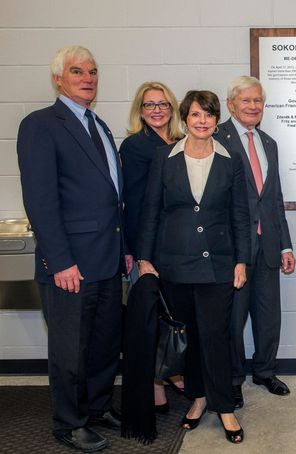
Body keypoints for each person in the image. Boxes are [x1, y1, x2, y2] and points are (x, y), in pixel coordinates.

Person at [17, 45, 131, 453]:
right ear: (58, 79)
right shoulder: (42, 125)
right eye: (78, 71)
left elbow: (110, 196)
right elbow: (41, 201)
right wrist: (60, 260)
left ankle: (98, 408)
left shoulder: (98, 124)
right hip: (70, 266)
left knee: (103, 345)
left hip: (107, 259)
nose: (88, 78)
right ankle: (69, 422)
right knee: (69, 350)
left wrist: (125, 249)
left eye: (93, 71)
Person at [136, 90, 251, 444]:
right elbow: (151, 210)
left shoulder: (230, 160)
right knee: (191, 338)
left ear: (217, 121)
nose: (202, 121)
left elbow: (240, 216)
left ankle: (224, 406)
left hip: (218, 264)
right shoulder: (164, 158)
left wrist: (242, 260)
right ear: (185, 118)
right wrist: (144, 258)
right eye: (196, 114)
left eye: (209, 115)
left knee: (216, 335)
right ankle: (199, 398)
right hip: (175, 265)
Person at [215, 76, 295, 408]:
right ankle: (233, 378)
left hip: (269, 245)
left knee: (268, 314)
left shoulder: (269, 143)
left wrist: (286, 245)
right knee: (233, 318)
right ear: (231, 103)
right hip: (234, 247)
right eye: (246, 101)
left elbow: (274, 198)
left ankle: (264, 371)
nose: (253, 106)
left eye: (258, 101)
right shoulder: (216, 137)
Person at [119, 81, 185, 413]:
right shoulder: (134, 147)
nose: (156, 110)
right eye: (149, 105)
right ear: (140, 111)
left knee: (172, 316)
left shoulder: (182, 143)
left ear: (172, 109)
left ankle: (171, 371)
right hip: (147, 245)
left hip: (178, 245)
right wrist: (136, 252)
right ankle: (155, 386)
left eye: (162, 104)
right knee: (148, 321)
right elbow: (131, 202)